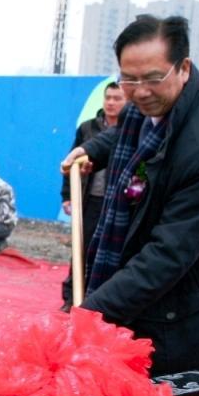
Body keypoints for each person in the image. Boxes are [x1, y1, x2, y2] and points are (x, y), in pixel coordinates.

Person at [60, 15, 199, 377]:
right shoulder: (154, 103)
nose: (139, 92)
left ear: (184, 67)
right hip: (147, 302)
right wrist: (92, 150)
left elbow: (168, 255)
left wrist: (89, 314)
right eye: (128, 79)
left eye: (152, 78)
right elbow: (127, 130)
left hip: (186, 320)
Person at [58, 81, 126, 311]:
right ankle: (71, 298)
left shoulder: (131, 131)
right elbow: (71, 163)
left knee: (111, 252)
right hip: (90, 200)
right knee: (82, 247)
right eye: (108, 98)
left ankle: (99, 301)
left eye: (117, 98)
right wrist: (67, 196)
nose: (111, 103)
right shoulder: (87, 129)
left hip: (117, 202)